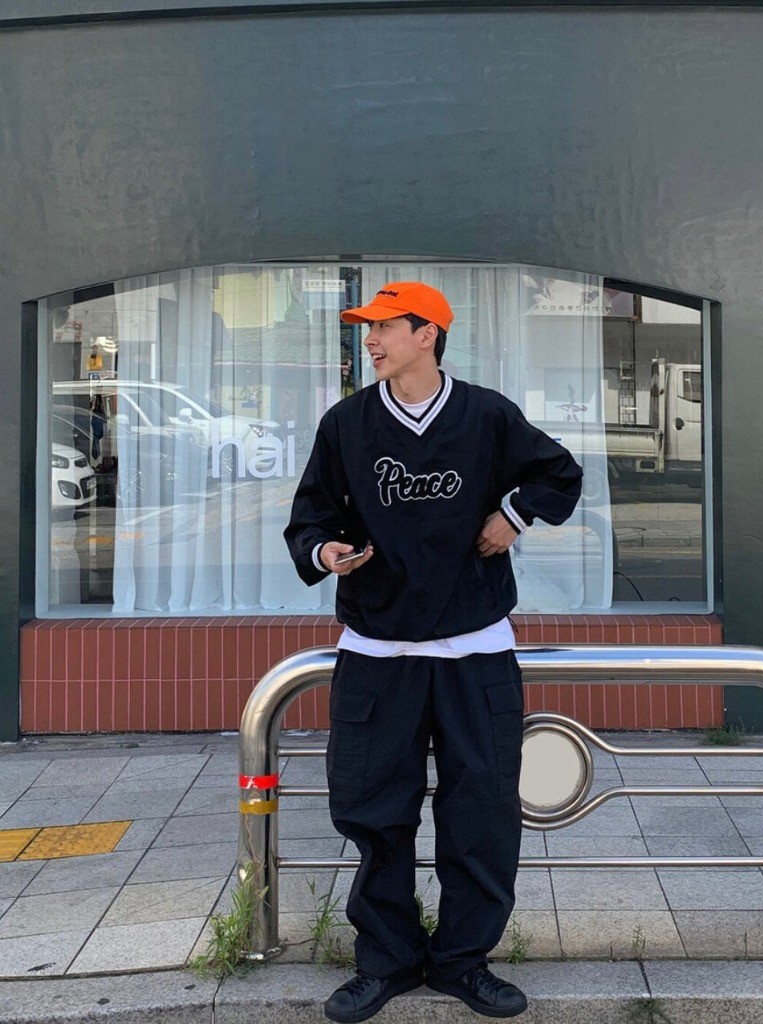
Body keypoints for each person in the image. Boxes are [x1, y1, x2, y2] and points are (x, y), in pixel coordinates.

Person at [285, 281, 582, 1023]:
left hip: (474, 648)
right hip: (376, 649)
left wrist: (514, 515)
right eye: (368, 328)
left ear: (428, 334)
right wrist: (326, 550)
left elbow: (558, 473)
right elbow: (311, 515)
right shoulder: (346, 424)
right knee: (372, 812)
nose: (371, 340)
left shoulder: (486, 415)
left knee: (481, 811)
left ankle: (462, 961)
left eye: (385, 326)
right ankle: (385, 961)